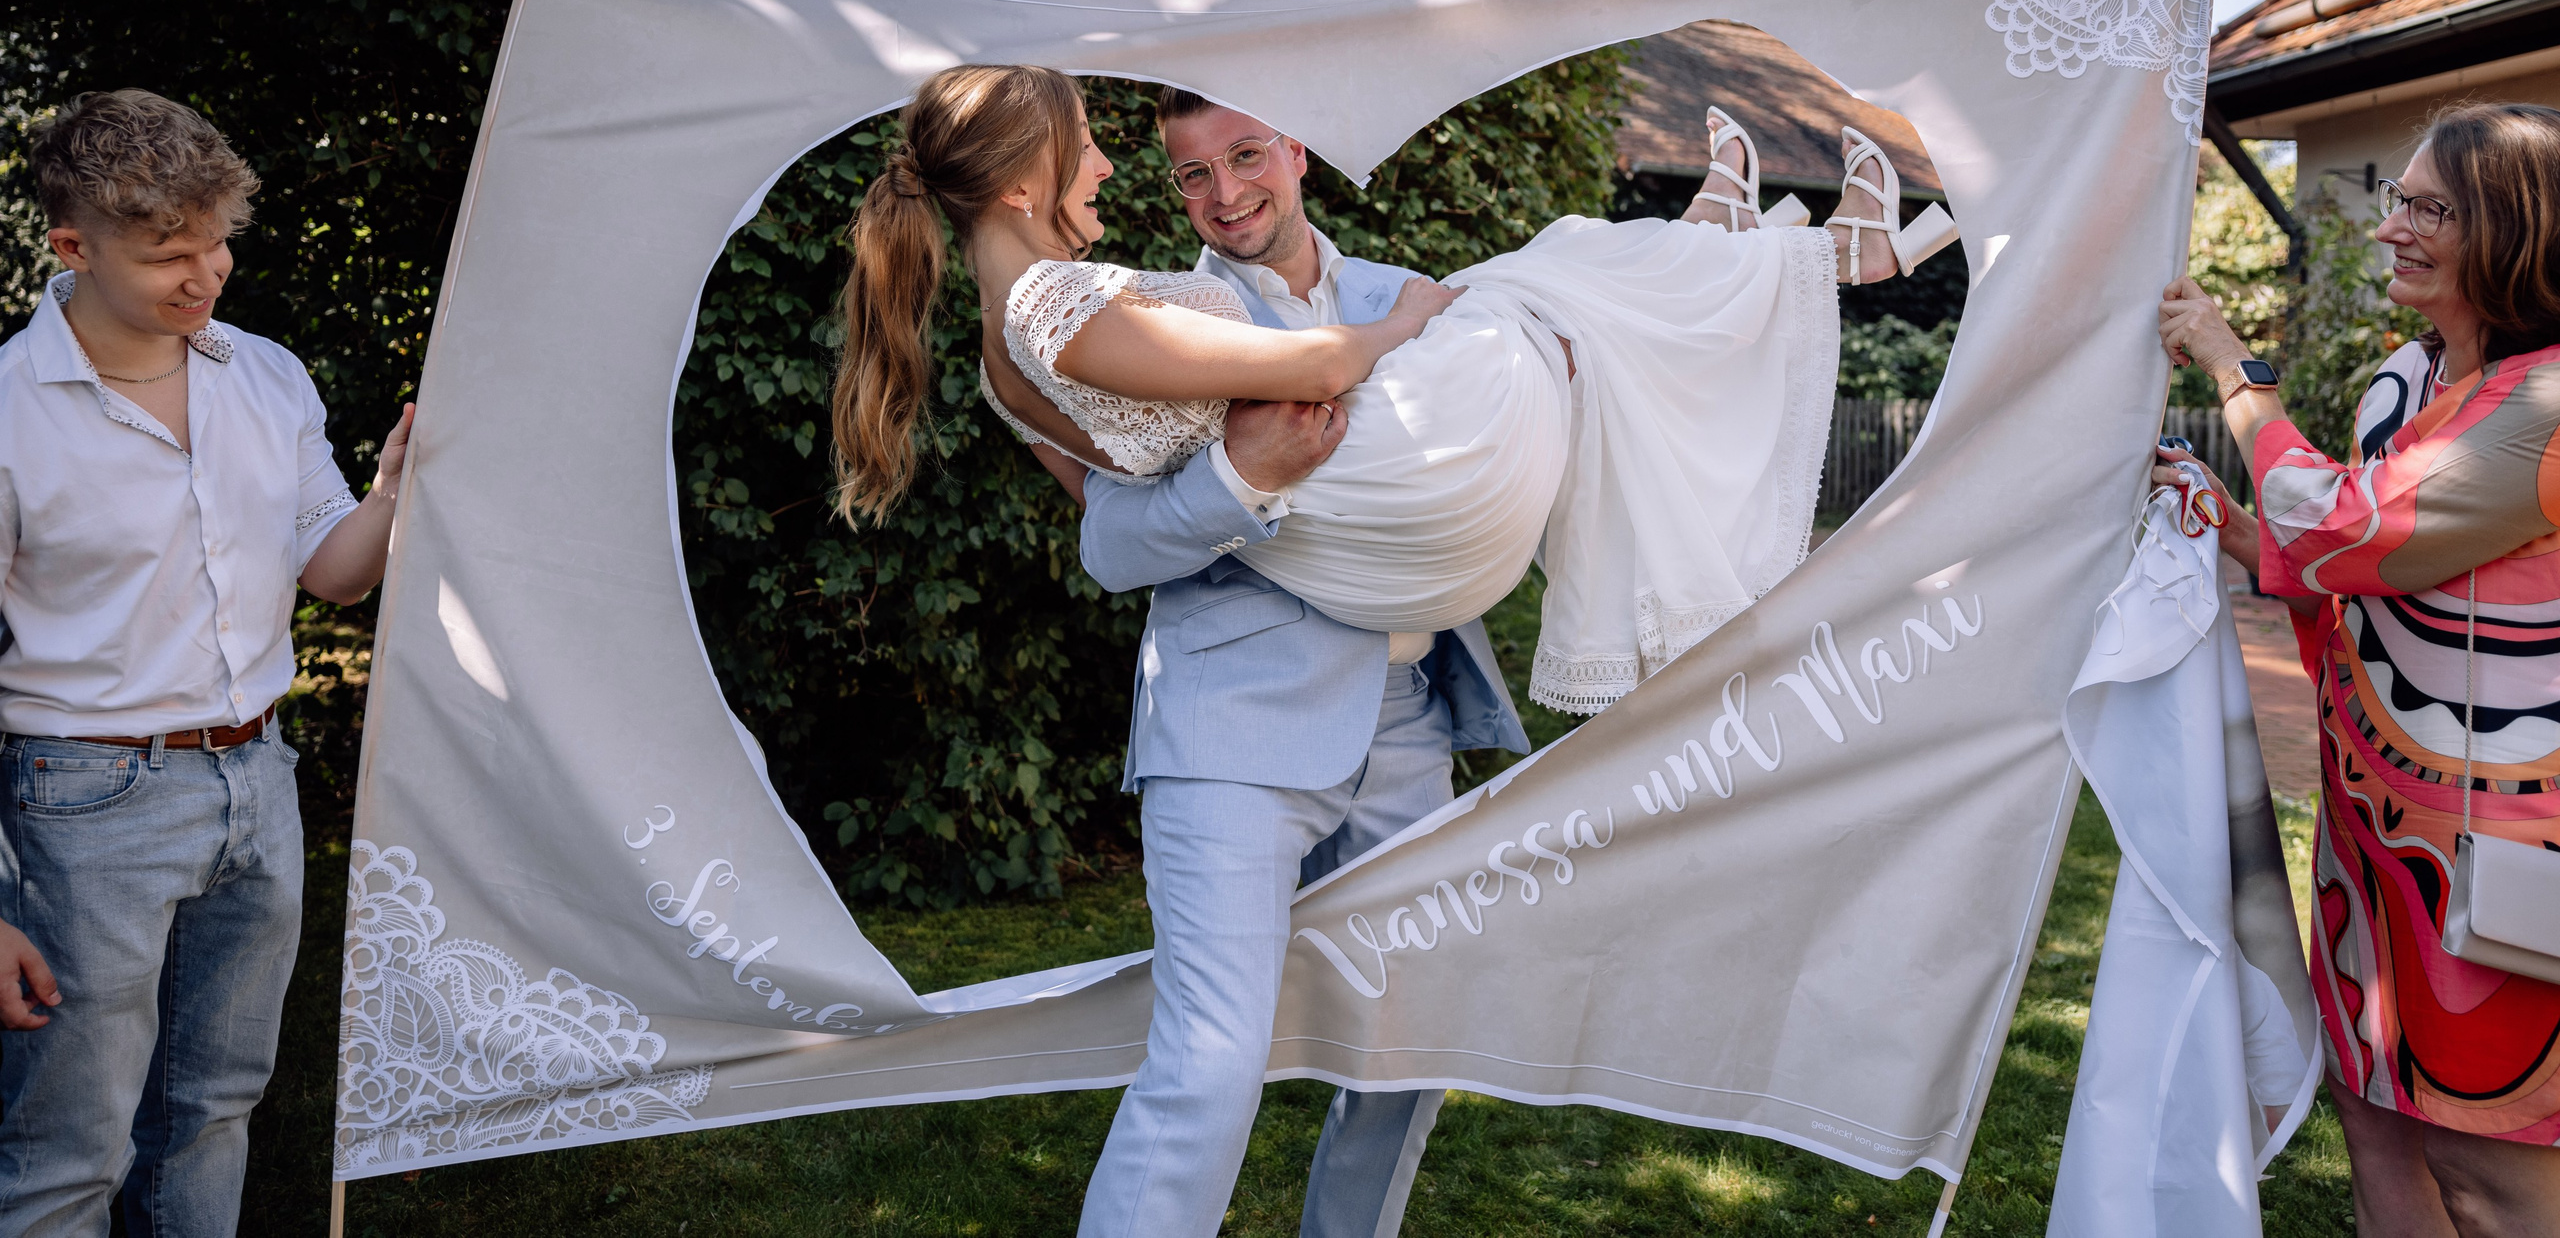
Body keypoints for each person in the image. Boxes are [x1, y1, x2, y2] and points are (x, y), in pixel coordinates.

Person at [830, 65, 1948, 1237]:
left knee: (1409, 1053)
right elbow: (1113, 542)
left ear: (1297, 151)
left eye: (1246, 156)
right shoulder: (1132, 312)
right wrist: (1240, 477)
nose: (1220, 192)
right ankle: (1767, 250)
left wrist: (1535, 406)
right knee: (1209, 1061)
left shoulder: (1396, 289)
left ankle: (1723, 248)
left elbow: (1476, 457)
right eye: (1191, 174)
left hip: (1406, 716)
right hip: (1234, 729)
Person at [0, 90, 412, 1236]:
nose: (206, 274)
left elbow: (333, 570)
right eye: (168, 253)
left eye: (217, 241)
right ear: (72, 247)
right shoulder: (6, 413)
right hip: (82, 807)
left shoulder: (266, 376)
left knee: (215, 1111)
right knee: (71, 1145)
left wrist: (394, 491)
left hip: (258, 782)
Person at [2157, 101, 2560, 1237]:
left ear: (2516, 229)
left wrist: (2237, 372)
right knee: (2377, 1125)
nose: (2395, 228)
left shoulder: (2545, 409)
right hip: (2373, 839)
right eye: (2401, 199)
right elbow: (2365, 573)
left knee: (2491, 1174)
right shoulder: (2403, 378)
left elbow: (2357, 527)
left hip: (2501, 863)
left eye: (2433, 207)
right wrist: (2247, 535)